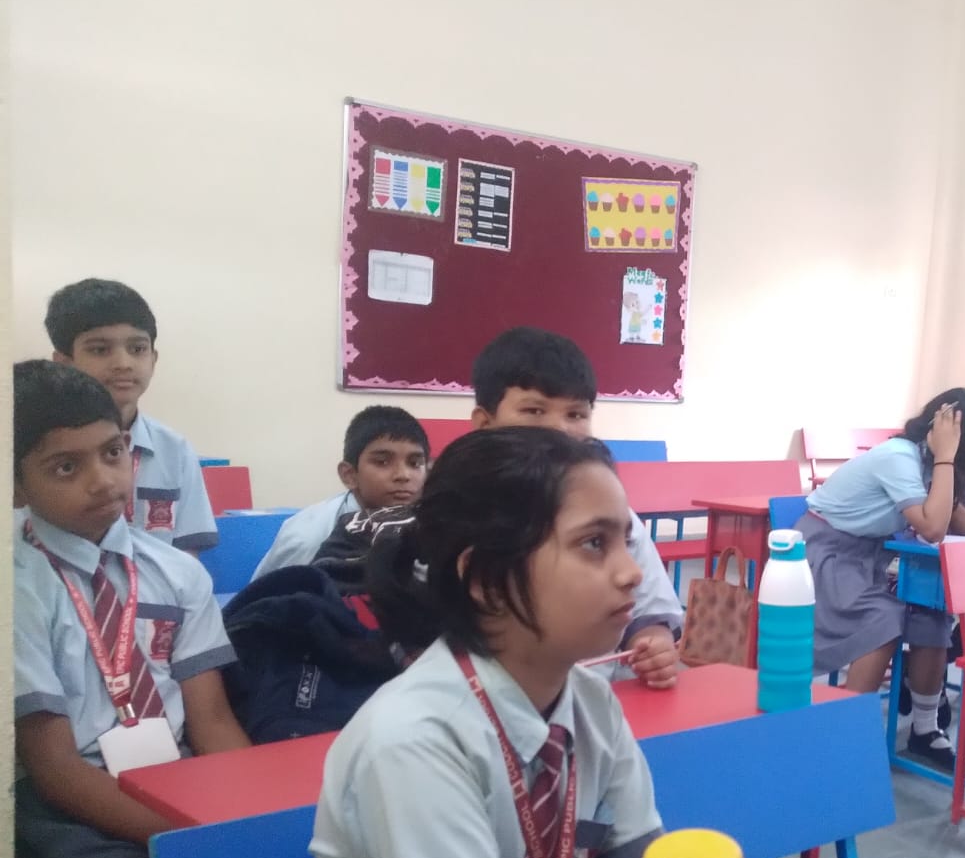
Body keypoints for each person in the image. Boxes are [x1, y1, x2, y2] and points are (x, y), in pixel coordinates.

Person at [253, 427, 933, 858]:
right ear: (485, 581)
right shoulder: (414, 741)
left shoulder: (589, 703)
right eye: (593, 544)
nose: (633, 571)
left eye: (626, 540)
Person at [12, 360, 251, 858]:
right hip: (69, 815)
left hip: (178, 780)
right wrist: (187, 841)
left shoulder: (174, 572)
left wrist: (253, 822)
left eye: (112, 452)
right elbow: (54, 769)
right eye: (66, 466)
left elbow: (212, 721)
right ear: (16, 485)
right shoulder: (16, 584)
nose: (103, 481)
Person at [801, 389, 965, 771]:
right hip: (827, 554)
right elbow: (934, 528)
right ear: (954, 438)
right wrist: (945, 456)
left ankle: (925, 729)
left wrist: (944, 461)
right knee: (883, 617)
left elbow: (942, 523)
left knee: (930, 611)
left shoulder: (929, 464)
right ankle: (844, 730)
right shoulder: (900, 458)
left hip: (873, 554)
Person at [470, 327, 681, 688]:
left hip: (595, 694)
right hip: (494, 700)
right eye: (534, 410)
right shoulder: (463, 515)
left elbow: (648, 607)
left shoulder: (613, 517)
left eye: (576, 414)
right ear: (485, 423)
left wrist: (653, 640)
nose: (558, 430)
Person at [46, 278, 218, 552]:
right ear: (64, 363)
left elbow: (188, 557)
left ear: (153, 359)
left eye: (137, 349)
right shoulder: (39, 450)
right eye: (100, 350)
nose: (123, 364)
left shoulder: (174, 450)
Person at [251, 405, 430, 580]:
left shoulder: (428, 523)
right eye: (382, 462)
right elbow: (281, 598)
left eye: (414, 463)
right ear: (349, 475)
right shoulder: (310, 539)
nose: (403, 475)